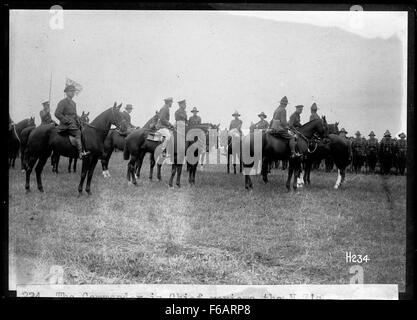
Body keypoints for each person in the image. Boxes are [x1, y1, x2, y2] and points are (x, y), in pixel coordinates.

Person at [55, 84, 88, 159]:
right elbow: (57, 113)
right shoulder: (62, 102)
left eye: (73, 91)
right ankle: (80, 153)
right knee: (78, 132)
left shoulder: (74, 103)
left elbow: (75, 115)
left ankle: (85, 150)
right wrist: (66, 120)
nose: (73, 93)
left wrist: (81, 119)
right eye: (71, 91)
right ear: (66, 92)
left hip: (74, 124)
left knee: (84, 131)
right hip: (66, 125)